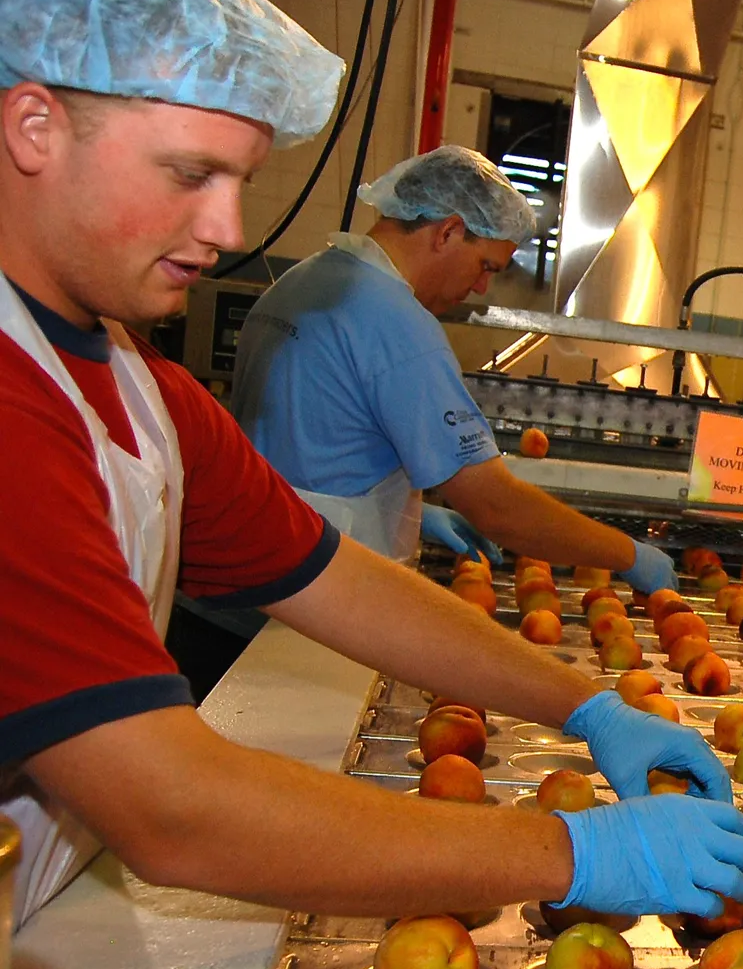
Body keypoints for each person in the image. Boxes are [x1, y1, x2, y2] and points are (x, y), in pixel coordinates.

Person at [0, 0, 743, 928]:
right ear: (34, 125)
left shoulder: (133, 383)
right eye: (191, 173)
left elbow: (331, 575)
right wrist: (564, 850)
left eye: (241, 178)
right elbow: (172, 810)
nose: (229, 226)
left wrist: (584, 705)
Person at [170, 146, 678, 687]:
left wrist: (398, 513)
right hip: (294, 619)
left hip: (218, 595)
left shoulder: (300, 283)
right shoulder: (397, 323)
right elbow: (497, 507)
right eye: (486, 265)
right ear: (448, 232)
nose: (481, 287)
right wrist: (626, 554)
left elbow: (308, 438)